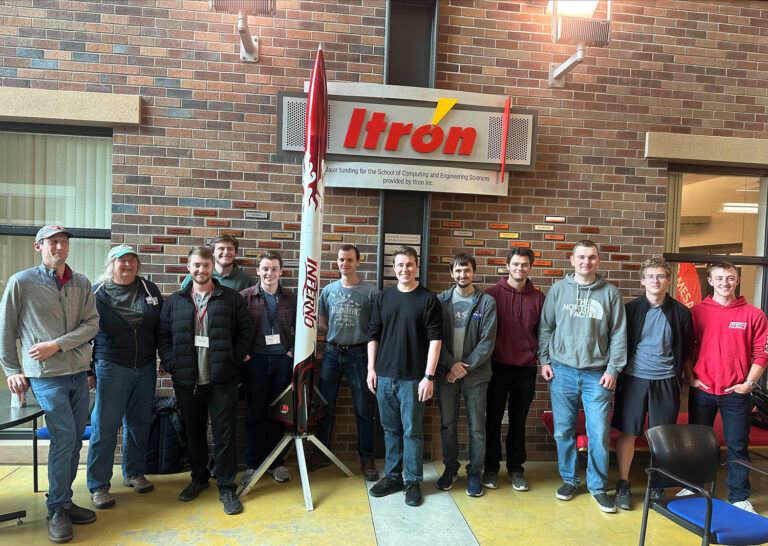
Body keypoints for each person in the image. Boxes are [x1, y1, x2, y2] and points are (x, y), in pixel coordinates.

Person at [0, 225, 100, 543]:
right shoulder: (21, 282)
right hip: (45, 376)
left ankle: (65, 501)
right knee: (64, 439)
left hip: (77, 372)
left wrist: (57, 344)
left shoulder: (82, 283)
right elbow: (6, 327)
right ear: (38, 246)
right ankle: (56, 508)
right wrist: (11, 368)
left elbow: (92, 324)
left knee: (74, 443)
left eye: (64, 242)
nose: (60, 247)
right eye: (53, 242)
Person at [157, 246, 253, 515]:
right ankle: (199, 478)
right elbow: (163, 337)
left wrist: (233, 360)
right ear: (188, 267)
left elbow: (246, 330)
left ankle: (226, 487)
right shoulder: (175, 301)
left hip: (222, 379)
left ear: (213, 267)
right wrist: (172, 364)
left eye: (206, 265)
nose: (201, 270)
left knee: (224, 435)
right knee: (193, 433)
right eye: (196, 265)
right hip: (187, 380)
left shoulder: (230, 298)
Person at [538, 239, 626, 513]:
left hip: (597, 375)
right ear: (572, 260)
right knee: (563, 430)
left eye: (591, 257)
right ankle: (569, 479)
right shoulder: (557, 290)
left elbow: (619, 334)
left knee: (598, 433)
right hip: (561, 371)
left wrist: (613, 369)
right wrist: (544, 361)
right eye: (581, 257)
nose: (586, 262)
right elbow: (546, 328)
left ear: (598, 260)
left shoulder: (611, 293)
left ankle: (597, 487)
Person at [684, 261, 768, 514]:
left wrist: (748, 384)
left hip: (737, 393)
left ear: (737, 280)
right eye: (719, 278)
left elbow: (762, 353)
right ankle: (695, 486)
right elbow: (687, 349)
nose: (725, 283)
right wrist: (690, 378)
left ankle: (740, 496)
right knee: (698, 444)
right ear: (710, 281)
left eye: (730, 278)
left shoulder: (753, 314)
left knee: (737, 445)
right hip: (703, 389)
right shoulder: (696, 312)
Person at [86, 245, 165, 510]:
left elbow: (161, 328)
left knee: (139, 422)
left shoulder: (149, 289)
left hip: (144, 366)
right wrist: (89, 370)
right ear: (111, 265)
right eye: (122, 261)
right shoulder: (97, 294)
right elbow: (85, 335)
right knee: (105, 427)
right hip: (111, 366)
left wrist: (163, 358)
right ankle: (99, 486)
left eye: (132, 260)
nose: (128, 265)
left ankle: (134, 473)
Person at [612, 258, 693, 510]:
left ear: (668, 279)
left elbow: (687, 349)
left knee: (662, 436)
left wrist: (689, 378)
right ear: (642, 280)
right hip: (634, 379)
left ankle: (658, 483)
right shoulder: (630, 310)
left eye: (660, 276)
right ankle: (624, 483)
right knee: (628, 432)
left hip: (666, 381)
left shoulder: (681, 312)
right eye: (650, 276)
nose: (655, 281)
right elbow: (618, 343)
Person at [367, 246, 442, 507]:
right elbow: (373, 335)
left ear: (416, 266)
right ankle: (393, 476)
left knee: (412, 431)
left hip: (414, 378)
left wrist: (429, 377)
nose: (404, 269)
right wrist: (371, 369)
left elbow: (435, 341)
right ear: (393, 267)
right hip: (385, 376)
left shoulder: (428, 299)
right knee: (390, 430)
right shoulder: (383, 298)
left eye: (409, 264)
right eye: (400, 265)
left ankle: (412, 481)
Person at [308, 245, 378, 481]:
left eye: (349, 260)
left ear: (358, 262)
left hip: (360, 355)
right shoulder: (328, 291)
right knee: (325, 406)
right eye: (341, 259)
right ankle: (321, 454)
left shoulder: (370, 293)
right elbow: (323, 322)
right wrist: (338, 337)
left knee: (363, 409)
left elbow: (376, 328)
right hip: (332, 353)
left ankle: (367, 457)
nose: (344, 263)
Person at [483, 246, 544, 492]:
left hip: (525, 369)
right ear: (507, 265)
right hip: (495, 368)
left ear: (530, 268)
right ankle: (490, 468)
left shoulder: (539, 299)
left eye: (524, 265)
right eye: (516, 264)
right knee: (493, 421)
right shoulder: (490, 295)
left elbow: (544, 334)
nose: (520, 268)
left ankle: (516, 469)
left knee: (519, 422)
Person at [435, 253, 496, 497]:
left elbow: (487, 342)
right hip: (446, 375)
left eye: (467, 270)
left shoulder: (486, 302)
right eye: (458, 271)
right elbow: (435, 338)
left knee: (477, 427)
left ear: (474, 272)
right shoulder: (440, 301)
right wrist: (451, 365)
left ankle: (474, 473)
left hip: (476, 376)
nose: (463, 275)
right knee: (448, 425)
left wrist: (464, 367)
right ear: (452, 274)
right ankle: (451, 469)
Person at [239, 251, 296, 485]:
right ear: (258, 271)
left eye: (274, 269)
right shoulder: (245, 297)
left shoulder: (291, 298)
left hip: (282, 361)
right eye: (265, 268)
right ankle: (253, 464)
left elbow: (301, 328)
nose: (269, 273)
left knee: (278, 413)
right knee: (255, 413)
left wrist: (290, 351)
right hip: (256, 361)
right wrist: (244, 355)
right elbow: (236, 328)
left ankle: (276, 463)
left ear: (281, 271)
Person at [180, 234, 257, 292]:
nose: (226, 252)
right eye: (221, 249)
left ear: (235, 253)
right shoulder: (196, 276)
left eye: (230, 249)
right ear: (212, 252)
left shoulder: (246, 280)